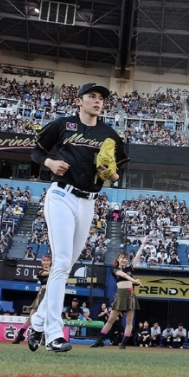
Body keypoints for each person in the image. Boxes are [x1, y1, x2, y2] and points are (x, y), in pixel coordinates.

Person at [27, 82, 128, 354]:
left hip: (88, 203)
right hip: (61, 196)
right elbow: (35, 151)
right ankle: (53, 334)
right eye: (92, 96)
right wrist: (50, 163)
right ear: (79, 101)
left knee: (64, 268)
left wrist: (111, 173)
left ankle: (37, 323)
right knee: (60, 263)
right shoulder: (63, 125)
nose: (98, 101)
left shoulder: (110, 134)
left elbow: (117, 174)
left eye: (101, 98)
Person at [90, 235, 147, 350]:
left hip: (130, 295)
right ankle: (100, 340)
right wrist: (134, 280)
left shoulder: (130, 268)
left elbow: (137, 256)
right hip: (121, 295)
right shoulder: (114, 269)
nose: (125, 259)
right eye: (122, 258)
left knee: (129, 321)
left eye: (126, 258)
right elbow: (124, 275)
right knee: (111, 319)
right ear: (118, 259)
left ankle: (124, 343)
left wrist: (143, 244)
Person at [12, 255, 51, 344]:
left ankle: (45, 337)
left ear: (50, 261)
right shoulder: (40, 271)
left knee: (49, 317)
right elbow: (47, 274)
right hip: (43, 293)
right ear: (41, 262)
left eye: (47, 260)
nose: (45, 262)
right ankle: (20, 334)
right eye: (44, 260)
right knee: (32, 316)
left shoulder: (54, 271)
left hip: (52, 294)